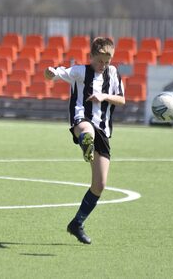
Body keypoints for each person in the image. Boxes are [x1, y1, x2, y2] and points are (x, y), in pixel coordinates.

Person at [44, 37, 125, 244]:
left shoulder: (113, 73)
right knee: (85, 129)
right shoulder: (80, 71)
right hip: (82, 120)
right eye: (99, 61)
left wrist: (104, 96)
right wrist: (50, 72)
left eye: (107, 62)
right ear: (91, 57)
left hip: (104, 130)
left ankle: (77, 223)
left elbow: (122, 99)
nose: (103, 65)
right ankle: (85, 143)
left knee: (100, 184)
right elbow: (53, 74)